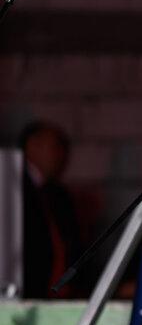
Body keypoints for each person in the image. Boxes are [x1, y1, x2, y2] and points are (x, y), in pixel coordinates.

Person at [19, 121, 82, 298]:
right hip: (26, 293)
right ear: (32, 146)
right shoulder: (12, 190)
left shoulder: (58, 195)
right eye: (55, 147)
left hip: (59, 294)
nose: (61, 155)